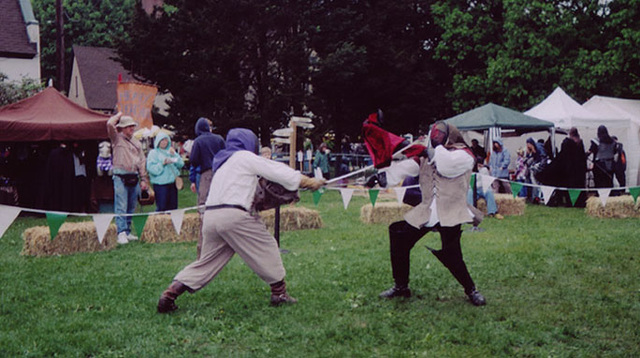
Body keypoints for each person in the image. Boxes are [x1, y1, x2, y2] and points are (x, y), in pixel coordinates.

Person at [157, 128, 325, 313]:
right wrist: (309, 182)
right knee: (267, 245)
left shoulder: (222, 163)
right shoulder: (244, 156)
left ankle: (170, 293)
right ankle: (279, 293)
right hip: (233, 215)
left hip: (211, 217)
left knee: (207, 261)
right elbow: (276, 170)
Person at [378, 121, 486, 306]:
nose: (436, 137)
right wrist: (384, 177)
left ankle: (471, 290)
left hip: (451, 211)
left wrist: (431, 151)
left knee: (453, 255)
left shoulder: (464, 155)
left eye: (439, 135)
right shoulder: (428, 155)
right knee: (399, 239)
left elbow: (446, 165)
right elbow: (408, 167)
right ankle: (401, 287)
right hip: (427, 210)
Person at [107, 113, 149, 245]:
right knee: (121, 205)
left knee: (131, 206)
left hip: (134, 176)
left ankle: (128, 230)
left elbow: (142, 161)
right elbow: (109, 124)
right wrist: (119, 114)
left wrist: (143, 179)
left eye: (132, 126)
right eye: (129, 126)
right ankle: (121, 233)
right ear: (122, 128)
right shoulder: (116, 138)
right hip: (120, 176)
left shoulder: (136, 142)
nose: (132, 128)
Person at [189, 117, 226, 258]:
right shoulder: (219, 139)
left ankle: (203, 247)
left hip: (207, 175)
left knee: (203, 207)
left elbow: (193, 160)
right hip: (221, 173)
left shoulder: (198, 141)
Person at [146, 132, 184, 211]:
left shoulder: (171, 151)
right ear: (158, 142)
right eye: (162, 140)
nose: (164, 142)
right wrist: (163, 163)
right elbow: (151, 168)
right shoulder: (153, 153)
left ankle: (172, 222)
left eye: (166, 140)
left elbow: (181, 164)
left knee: (173, 207)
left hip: (172, 184)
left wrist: (174, 155)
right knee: (162, 207)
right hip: (161, 185)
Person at [525, 137, 548, 203]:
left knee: (537, 183)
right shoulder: (533, 150)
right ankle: (534, 197)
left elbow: (543, 159)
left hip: (540, 169)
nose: (527, 146)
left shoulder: (539, 148)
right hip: (535, 169)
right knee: (533, 183)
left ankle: (537, 197)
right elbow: (530, 160)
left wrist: (538, 166)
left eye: (527, 144)